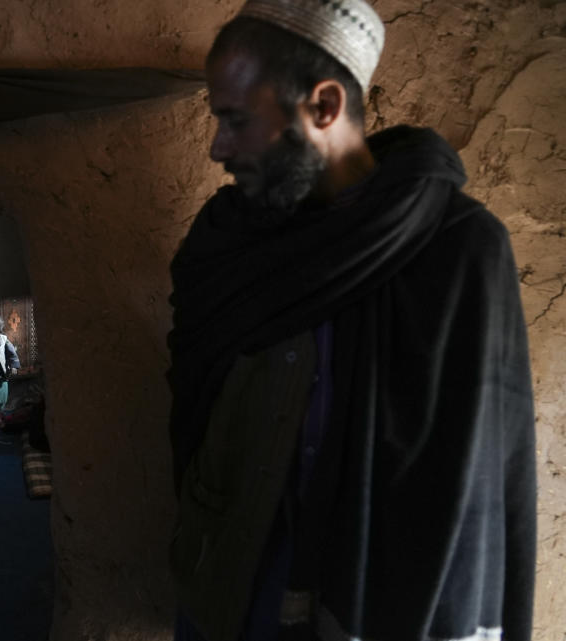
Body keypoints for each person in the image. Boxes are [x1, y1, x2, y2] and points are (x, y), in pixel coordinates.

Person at [166, 2, 537, 641]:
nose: (217, 148)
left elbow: (479, 488)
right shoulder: (228, 243)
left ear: (325, 106)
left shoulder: (459, 252)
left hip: (376, 613)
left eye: (235, 120)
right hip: (232, 594)